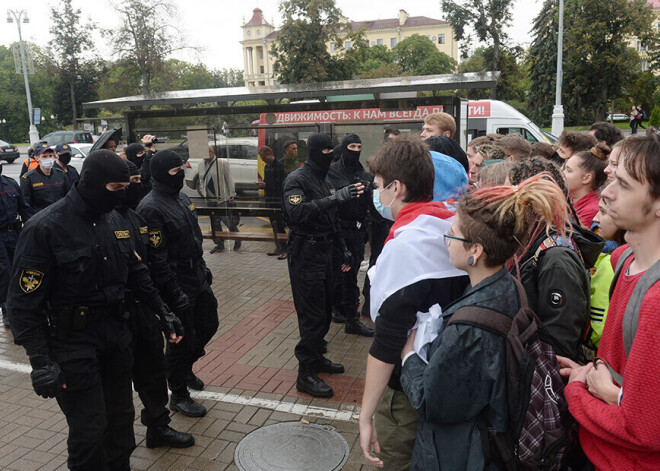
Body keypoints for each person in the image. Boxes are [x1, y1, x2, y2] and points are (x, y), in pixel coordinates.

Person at [7, 150, 184, 470]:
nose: (124, 194)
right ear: (90, 183)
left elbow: (136, 273)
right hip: (71, 345)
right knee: (89, 432)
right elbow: (22, 304)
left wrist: (163, 310)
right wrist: (39, 361)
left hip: (115, 339)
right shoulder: (44, 228)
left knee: (121, 427)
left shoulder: (115, 221)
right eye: (116, 188)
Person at [398, 174, 571, 470]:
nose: (446, 240)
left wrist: (409, 356)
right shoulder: (509, 285)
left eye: (452, 233)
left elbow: (432, 401)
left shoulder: (469, 327)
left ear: (475, 250)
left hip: (468, 454)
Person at [359, 137, 469, 470]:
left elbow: (388, 340)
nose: (377, 194)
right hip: (452, 379)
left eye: (379, 186)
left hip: (408, 390)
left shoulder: (405, 248)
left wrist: (365, 416)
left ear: (398, 187)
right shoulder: (453, 226)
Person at [558, 134, 660, 469]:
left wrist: (577, 392)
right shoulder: (624, 259)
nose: (606, 192)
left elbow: (641, 429)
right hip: (596, 447)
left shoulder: (656, 299)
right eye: (612, 178)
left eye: (625, 185)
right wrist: (589, 375)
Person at [137, 150, 219, 418]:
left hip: (195, 274)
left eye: (182, 169)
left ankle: (184, 367)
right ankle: (179, 394)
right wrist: (174, 293)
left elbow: (194, 236)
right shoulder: (150, 207)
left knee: (209, 322)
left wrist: (203, 268)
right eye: (175, 172)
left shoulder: (181, 198)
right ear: (161, 174)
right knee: (179, 338)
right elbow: (156, 259)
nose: (181, 174)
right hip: (174, 280)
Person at [282, 133, 363, 398]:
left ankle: (316, 357)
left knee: (327, 310)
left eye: (333, 150)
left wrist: (343, 247)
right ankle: (305, 372)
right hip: (306, 255)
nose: (331, 155)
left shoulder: (323, 177)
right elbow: (296, 213)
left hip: (327, 252)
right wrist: (335, 198)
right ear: (316, 152)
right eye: (327, 151)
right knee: (312, 315)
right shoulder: (297, 179)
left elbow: (332, 218)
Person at [508, 157, 604, 359]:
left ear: (534, 202)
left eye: (510, 194)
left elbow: (559, 343)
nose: (504, 202)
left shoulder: (557, 258)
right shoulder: (530, 241)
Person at [326, 134, 374, 337]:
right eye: (352, 146)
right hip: (338, 231)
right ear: (344, 148)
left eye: (359, 146)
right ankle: (342, 311)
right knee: (341, 273)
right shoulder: (332, 172)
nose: (356, 150)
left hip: (356, 231)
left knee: (351, 272)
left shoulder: (362, 172)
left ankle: (350, 317)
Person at [581, 199, 625, 359]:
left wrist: (595, 343)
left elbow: (599, 316)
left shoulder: (610, 263)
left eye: (603, 212)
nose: (595, 218)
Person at [0, 162, 33, 328]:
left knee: (20, 268)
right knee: (4, 271)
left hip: (14, 233)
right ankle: (6, 309)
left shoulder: (10, 183)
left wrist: (34, 227)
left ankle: (20, 305)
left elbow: (24, 208)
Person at [197, 145, 240, 253]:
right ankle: (219, 244)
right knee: (214, 222)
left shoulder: (221, 163)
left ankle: (237, 237)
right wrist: (203, 193)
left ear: (212, 152)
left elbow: (229, 179)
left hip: (222, 198)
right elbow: (201, 181)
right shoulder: (201, 164)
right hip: (209, 198)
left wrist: (231, 194)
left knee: (226, 220)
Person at [563, 142, 610, 227]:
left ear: (586, 178)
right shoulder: (570, 200)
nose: (562, 173)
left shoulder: (591, 212)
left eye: (568, 170)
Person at [20, 143, 71, 213]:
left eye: (50, 156)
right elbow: (26, 206)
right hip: (40, 220)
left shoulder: (61, 175)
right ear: (36, 158)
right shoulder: (28, 178)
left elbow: (68, 198)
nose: (48, 159)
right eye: (44, 156)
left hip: (60, 218)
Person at [258, 145, 287, 257]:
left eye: (263, 157)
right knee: (273, 225)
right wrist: (263, 185)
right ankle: (278, 246)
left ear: (269, 154)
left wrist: (266, 185)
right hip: (269, 199)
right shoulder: (267, 167)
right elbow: (267, 182)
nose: (262, 160)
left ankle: (285, 248)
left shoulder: (279, 166)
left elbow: (281, 184)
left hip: (277, 199)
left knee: (280, 225)